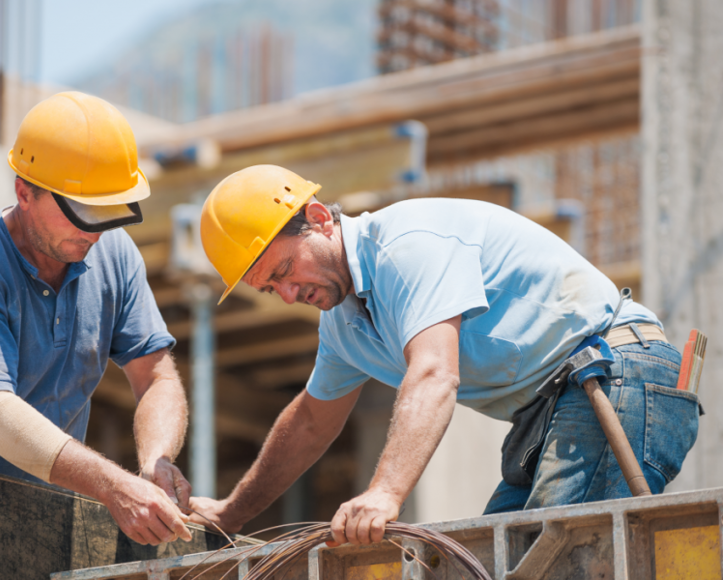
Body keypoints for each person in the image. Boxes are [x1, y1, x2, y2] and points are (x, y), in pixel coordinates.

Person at [188, 164, 700, 544]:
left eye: (283, 271)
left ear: (319, 219)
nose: (287, 293)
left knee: (556, 556)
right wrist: (232, 514)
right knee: (490, 558)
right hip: (557, 409)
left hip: (618, 374)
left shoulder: (406, 245)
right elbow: (309, 424)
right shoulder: (344, 325)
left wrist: (384, 494)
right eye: (269, 289)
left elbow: (434, 374)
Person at [0, 92, 192, 546]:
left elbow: (157, 378)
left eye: (107, 211)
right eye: (80, 211)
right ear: (24, 192)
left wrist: (156, 462)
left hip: (42, 525)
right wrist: (113, 486)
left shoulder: (114, 254)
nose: (93, 230)